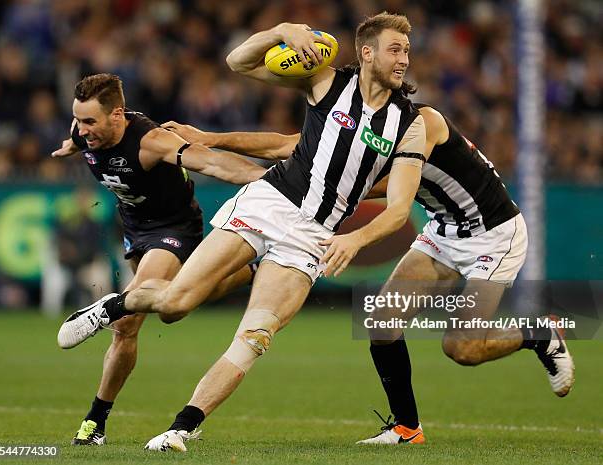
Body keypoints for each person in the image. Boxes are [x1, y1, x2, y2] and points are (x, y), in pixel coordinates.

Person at [58, 13, 428, 451]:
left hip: (314, 235)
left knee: (256, 337)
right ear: (367, 52)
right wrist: (281, 32)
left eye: (406, 50)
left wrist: (355, 236)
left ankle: (182, 427)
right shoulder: (327, 82)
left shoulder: (411, 122)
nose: (403, 59)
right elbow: (239, 62)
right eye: (394, 49)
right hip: (268, 203)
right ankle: (112, 307)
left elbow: (401, 201)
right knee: (176, 303)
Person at [163, 104, 575, 445]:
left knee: (462, 348)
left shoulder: (421, 123)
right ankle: (406, 428)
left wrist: (343, 215)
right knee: (382, 323)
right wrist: (208, 138)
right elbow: (293, 145)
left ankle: (539, 334)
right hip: (444, 231)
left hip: (493, 234)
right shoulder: (365, 121)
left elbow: (390, 193)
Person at [53, 73, 267, 446]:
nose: (83, 130)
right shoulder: (83, 130)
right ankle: (251, 271)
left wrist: (268, 180)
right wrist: (71, 147)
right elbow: (78, 138)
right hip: (135, 229)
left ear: (117, 114)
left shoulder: (151, 141)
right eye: (79, 121)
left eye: (90, 122)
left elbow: (213, 164)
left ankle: (94, 422)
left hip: (174, 228)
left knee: (129, 318)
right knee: (168, 310)